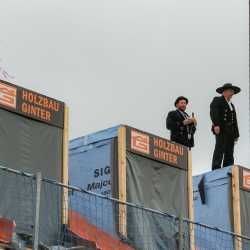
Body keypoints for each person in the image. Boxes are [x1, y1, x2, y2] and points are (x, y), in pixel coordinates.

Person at [210, 83, 240, 170]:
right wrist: (216, 124)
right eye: (230, 91)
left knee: (230, 151)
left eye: (233, 92)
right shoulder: (217, 100)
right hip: (221, 128)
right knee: (220, 147)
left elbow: (235, 120)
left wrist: (236, 134)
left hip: (231, 131)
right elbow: (213, 112)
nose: (232, 93)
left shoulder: (231, 105)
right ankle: (216, 168)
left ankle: (228, 168)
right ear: (224, 92)